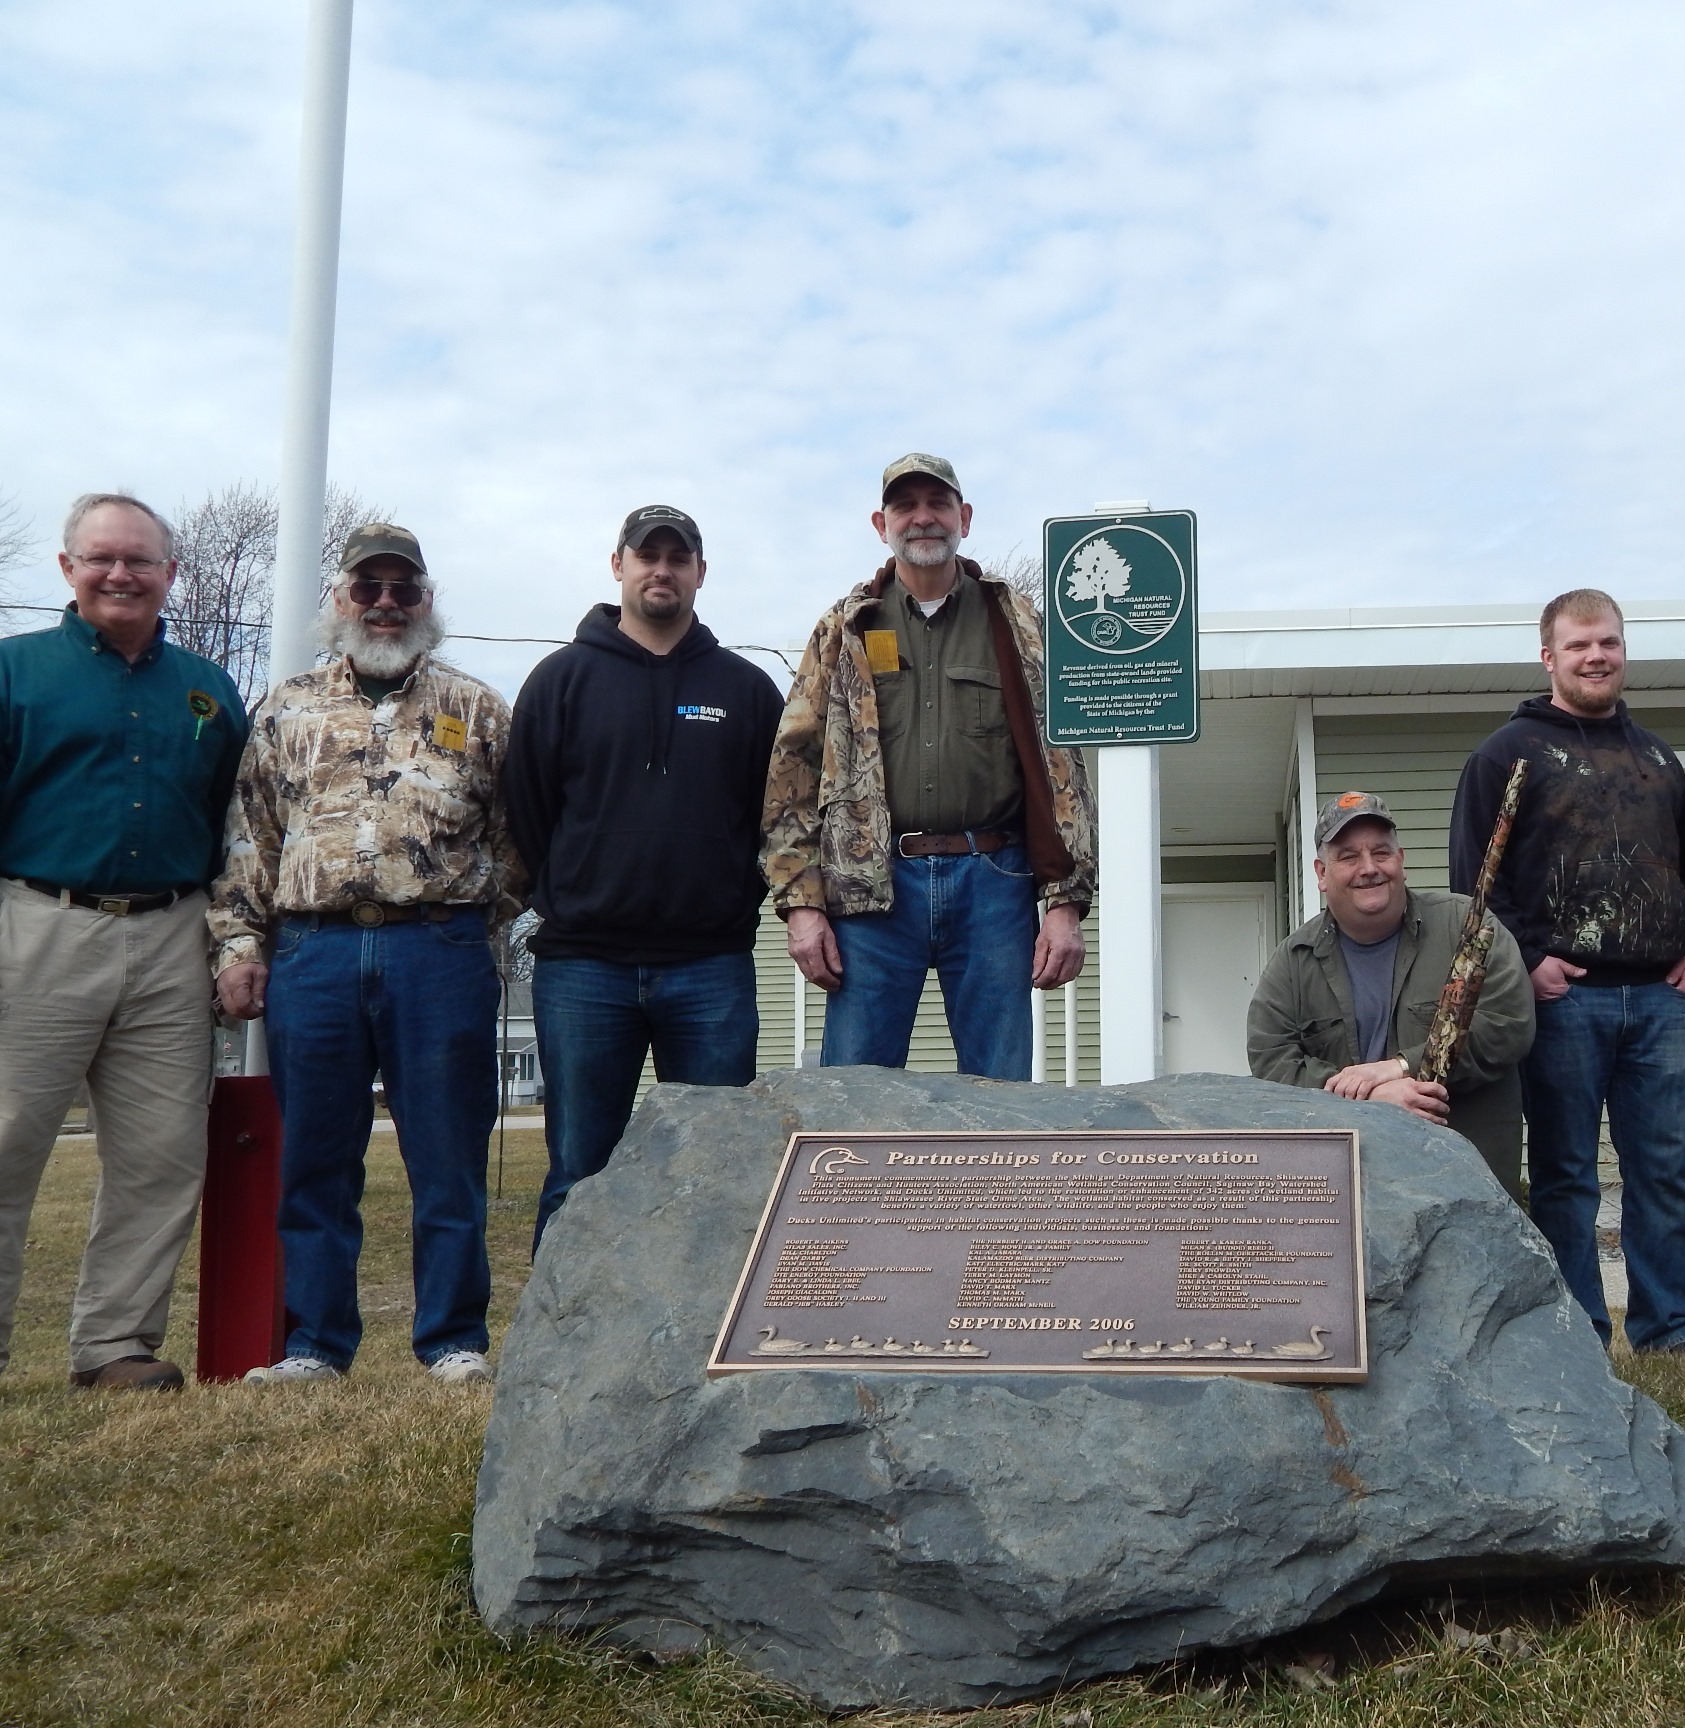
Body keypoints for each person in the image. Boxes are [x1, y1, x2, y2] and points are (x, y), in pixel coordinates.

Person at [212, 525, 523, 1384]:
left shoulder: (479, 708)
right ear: (341, 598)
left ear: (427, 601)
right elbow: (251, 840)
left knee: (449, 1156)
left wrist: (469, 925)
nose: (386, 604)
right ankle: (315, 1346)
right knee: (315, 1158)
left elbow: (518, 840)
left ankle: (454, 1341)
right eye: (368, 588)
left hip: (440, 953)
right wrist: (241, 944)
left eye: (404, 589)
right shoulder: (286, 708)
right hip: (313, 954)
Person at [0, 492, 248, 1391]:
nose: (120, 574)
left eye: (140, 560)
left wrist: (231, 944)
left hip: (172, 938)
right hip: (37, 927)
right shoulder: (14, 674)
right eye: (101, 558)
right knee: (7, 1140)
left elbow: (237, 827)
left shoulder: (208, 688)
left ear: (169, 573)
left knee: (162, 1154)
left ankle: (115, 1347)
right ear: (67, 569)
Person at [1449, 589, 1685, 1355]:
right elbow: (1476, 880)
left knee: (1665, 1175)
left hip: (1663, 1003)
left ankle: (1672, 1330)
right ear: (1549, 657)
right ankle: (1579, 1336)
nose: (1595, 657)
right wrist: (1529, 961)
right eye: (1578, 646)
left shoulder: (1660, 759)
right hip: (1564, 1005)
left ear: (1622, 650)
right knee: (1567, 1179)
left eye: (1607, 643)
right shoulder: (1508, 754)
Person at [505, 505, 784, 1249]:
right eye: (646, 555)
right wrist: (575, 893)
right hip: (583, 969)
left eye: (678, 557)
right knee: (579, 1170)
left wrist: (729, 900)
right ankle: (560, 1355)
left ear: (699, 572)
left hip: (710, 969)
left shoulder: (747, 690)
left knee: (718, 1166)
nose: (662, 569)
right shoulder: (560, 681)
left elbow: (776, 815)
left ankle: (707, 1346)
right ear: (618, 565)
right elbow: (528, 813)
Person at [764, 454, 1095, 1076]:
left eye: (938, 504)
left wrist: (1064, 901)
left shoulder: (1022, 624)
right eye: (905, 506)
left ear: (963, 518)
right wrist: (801, 903)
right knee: (854, 1094)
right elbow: (794, 768)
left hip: (995, 882)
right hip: (872, 886)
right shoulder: (845, 627)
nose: (923, 519)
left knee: (1001, 1093)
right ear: (880, 523)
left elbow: (1063, 770)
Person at [1247, 793, 1534, 1190]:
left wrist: (1400, 1066)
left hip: (1463, 1177)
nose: (1368, 869)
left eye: (1381, 852)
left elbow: (1508, 1024)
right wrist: (1369, 1102)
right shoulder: (1293, 962)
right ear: (1321, 873)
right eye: (1348, 857)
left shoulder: (1468, 927)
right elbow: (1272, 1060)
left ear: (1400, 859)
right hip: (1350, 1183)